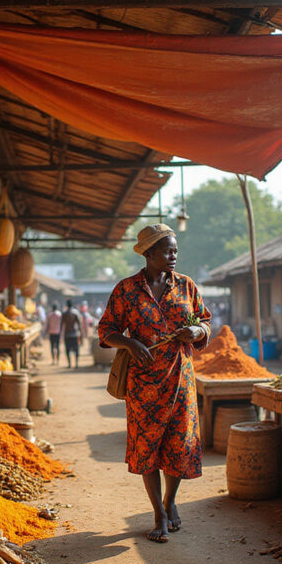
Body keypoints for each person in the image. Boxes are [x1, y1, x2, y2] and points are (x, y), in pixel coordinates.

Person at [98, 224, 211, 543]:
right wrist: (130, 344)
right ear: (148, 254)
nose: (174, 255)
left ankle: (170, 500)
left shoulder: (187, 286)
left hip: (181, 378)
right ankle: (158, 514)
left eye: (175, 250)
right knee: (147, 445)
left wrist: (197, 332)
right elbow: (106, 329)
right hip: (143, 383)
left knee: (179, 444)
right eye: (167, 250)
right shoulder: (126, 290)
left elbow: (204, 320)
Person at [60, 298, 83, 369]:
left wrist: (61, 335)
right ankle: (76, 364)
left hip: (67, 334)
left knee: (67, 350)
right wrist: (81, 335)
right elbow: (79, 325)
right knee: (76, 350)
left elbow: (61, 325)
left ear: (67, 305)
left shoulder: (64, 314)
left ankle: (69, 364)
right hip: (75, 334)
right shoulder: (75, 313)